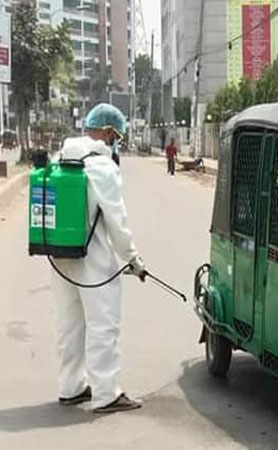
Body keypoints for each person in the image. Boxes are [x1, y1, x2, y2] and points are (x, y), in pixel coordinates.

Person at [51, 103, 146, 413]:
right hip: (92, 259)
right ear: (109, 133)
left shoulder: (61, 157)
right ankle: (106, 393)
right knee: (104, 324)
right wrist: (133, 259)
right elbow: (117, 221)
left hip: (60, 255)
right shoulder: (102, 166)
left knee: (70, 324)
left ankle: (71, 387)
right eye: (116, 137)